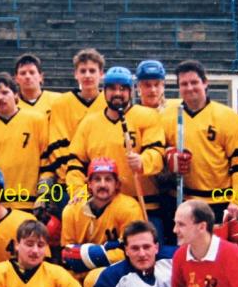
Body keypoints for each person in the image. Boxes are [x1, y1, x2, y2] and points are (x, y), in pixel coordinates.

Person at [165, 60, 238, 229]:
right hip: (181, 201)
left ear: (205, 83)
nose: (190, 88)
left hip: (219, 202)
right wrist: (167, 156)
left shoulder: (228, 117)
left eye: (194, 82)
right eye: (184, 84)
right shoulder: (167, 116)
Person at [63, 66, 164, 215]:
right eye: (112, 88)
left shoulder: (147, 116)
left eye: (123, 89)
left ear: (131, 91)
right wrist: (79, 191)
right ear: (104, 91)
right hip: (102, 205)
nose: (117, 93)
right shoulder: (89, 122)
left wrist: (142, 161)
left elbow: (157, 152)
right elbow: (75, 162)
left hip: (144, 205)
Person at [0, 73, 52, 211]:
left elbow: (47, 162)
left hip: (28, 202)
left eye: (5, 92)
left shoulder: (37, 120)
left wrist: (43, 194)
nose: (0, 97)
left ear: (16, 95)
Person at [59, 157, 143, 276]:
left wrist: (87, 255)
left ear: (117, 184)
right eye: (97, 179)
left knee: (93, 279)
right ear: (89, 184)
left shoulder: (130, 208)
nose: (102, 184)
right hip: (79, 274)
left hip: (118, 274)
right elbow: (67, 256)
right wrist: (105, 252)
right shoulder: (72, 210)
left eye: (108, 179)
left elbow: (131, 252)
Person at [135, 59, 180, 245]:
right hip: (146, 189)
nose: (152, 90)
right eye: (147, 85)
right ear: (138, 86)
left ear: (164, 85)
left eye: (157, 84)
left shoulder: (177, 109)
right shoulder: (133, 113)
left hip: (173, 189)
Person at [47, 48, 107, 183]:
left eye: (92, 71)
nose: (87, 75)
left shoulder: (109, 103)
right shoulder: (61, 104)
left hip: (103, 178)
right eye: (83, 71)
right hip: (68, 180)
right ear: (76, 74)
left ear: (101, 74)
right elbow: (57, 146)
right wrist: (73, 176)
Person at [13, 53, 63, 120]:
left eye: (32, 72)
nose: (27, 76)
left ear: (41, 77)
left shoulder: (58, 100)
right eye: (23, 73)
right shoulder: (11, 104)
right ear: (16, 79)